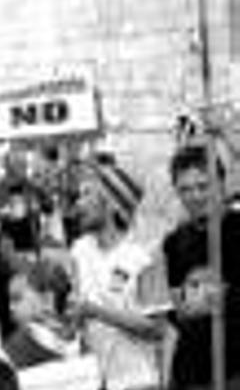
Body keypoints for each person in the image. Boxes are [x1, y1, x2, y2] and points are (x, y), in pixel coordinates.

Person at [68, 159, 171, 390]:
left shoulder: (146, 255)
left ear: (112, 204)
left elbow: (156, 329)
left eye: (87, 194)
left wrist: (96, 311)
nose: (78, 203)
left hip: (138, 382)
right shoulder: (79, 251)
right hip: (93, 381)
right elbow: (78, 317)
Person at [162, 145, 240, 389]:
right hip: (191, 377)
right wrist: (166, 379)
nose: (195, 196)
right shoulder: (174, 242)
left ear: (221, 184)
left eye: (203, 186)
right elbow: (175, 319)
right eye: (185, 189)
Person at [4, 259, 81, 369]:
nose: (10, 307)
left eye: (17, 299)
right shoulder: (13, 350)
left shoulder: (16, 349)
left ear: (46, 299)